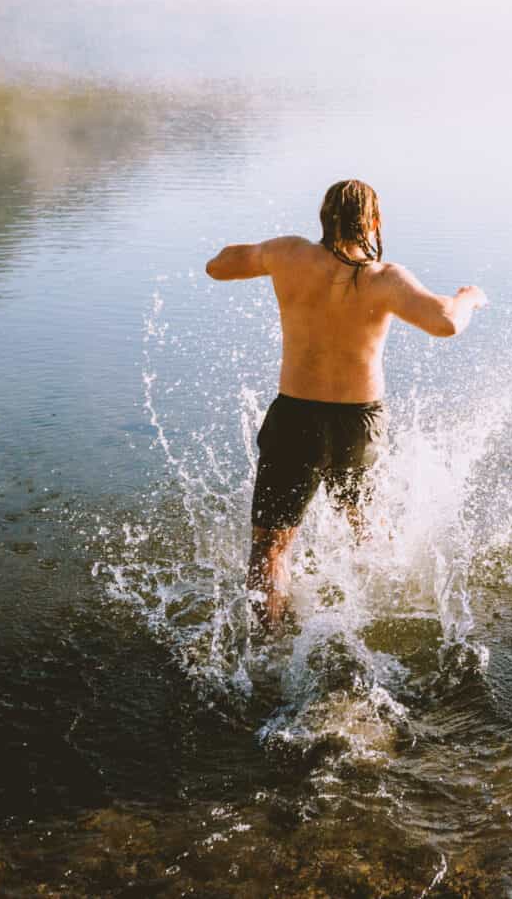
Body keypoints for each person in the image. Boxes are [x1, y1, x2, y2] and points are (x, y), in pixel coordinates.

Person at [205, 179, 487, 629]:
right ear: (374, 223)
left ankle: (269, 646)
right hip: (359, 424)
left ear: (323, 218)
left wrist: (266, 254)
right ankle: (389, 614)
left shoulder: (288, 254)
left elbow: (217, 266)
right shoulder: (385, 279)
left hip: (296, 415)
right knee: (365, 523)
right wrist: (468, 297)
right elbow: (447, 324)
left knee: (270, 547)